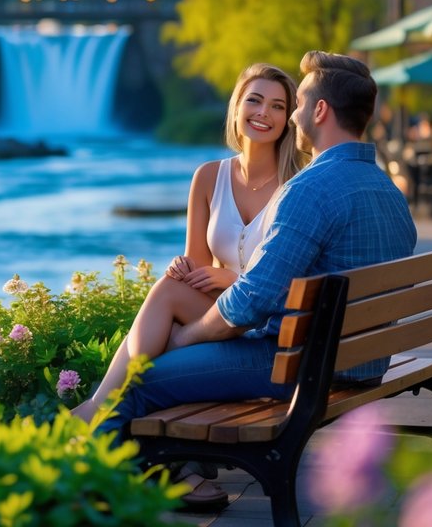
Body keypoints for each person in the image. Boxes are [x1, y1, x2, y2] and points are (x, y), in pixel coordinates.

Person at [97, 52, 417, 455]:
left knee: (140, 382)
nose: (294, 116)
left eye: (295, 104)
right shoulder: (389, 191)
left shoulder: (309, 189)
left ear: (319, 111)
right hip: (366, 360)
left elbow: (249, 303)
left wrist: (186, 339)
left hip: (299, 363)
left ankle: (87, 491)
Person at [72, 63, 304, 434]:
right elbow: (198, 266)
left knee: (164, 314)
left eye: (278, 106)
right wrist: (183, 268)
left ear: (289, 119)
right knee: (169, 288)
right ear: (236, 107)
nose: (263, 113)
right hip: (222, 315)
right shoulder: (209, 176)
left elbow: (288, 280)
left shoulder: (297, 183)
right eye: (255, 100)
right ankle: (113, 412)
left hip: (268, 323)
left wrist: (230, 277)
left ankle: (98, 408)